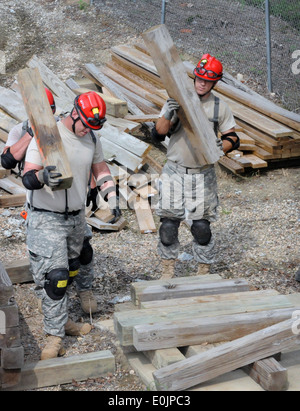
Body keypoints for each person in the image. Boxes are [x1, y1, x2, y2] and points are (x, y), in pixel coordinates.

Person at [22, 91, 121, 360]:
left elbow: (100, 169)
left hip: (76, 216)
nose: (87, 131)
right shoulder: (48, 134)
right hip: (47, 217)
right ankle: (54, 338)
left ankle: (64, 320)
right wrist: (42, 175)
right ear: (74, 113)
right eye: (85, 124)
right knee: (56, 278)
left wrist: (112, 196)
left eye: (93, 128)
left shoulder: (90, 136)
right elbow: (27, 176)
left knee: (74, 268)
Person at [151, 53, 240, 279]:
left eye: (206, 80)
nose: (201, 83)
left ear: (214, 82)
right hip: (175, 171)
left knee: (201, 227)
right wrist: (169, 112)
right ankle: (168, 270)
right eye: (199, 78)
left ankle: (203, 270)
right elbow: (158, 133)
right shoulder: (177, 99)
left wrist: (223, 146)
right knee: (169, 226)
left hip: (202, 174)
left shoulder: (219, 107)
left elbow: (233, 137)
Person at [1, 88, 56, 175]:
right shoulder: (19, 130)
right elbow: (6, 161)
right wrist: (32, 133)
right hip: (34, 184)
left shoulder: (61, 126)